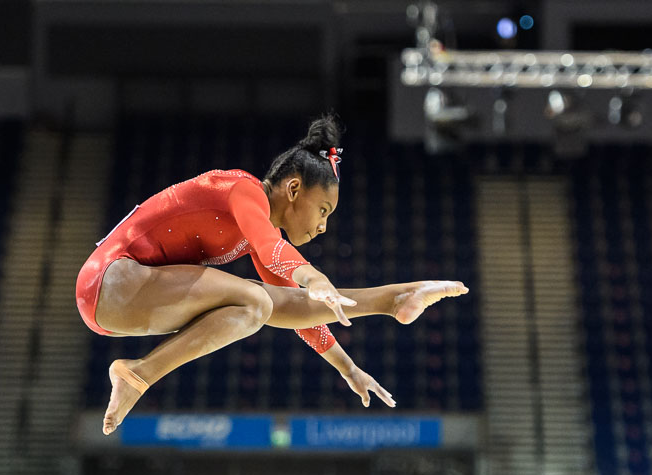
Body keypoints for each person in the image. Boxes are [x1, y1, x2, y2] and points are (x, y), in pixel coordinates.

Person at [75, 112, 469, 435]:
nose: (323, 227)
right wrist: (315, 278)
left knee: (259, 309)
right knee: (256, 298)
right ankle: (139, 375)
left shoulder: (258, 234)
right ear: (294, 189)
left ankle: (393, 299)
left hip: (119, 302)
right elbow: (272, 250)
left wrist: (348, 369)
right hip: (111, 280)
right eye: (323, 211)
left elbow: (296, 309)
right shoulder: (242, 189)